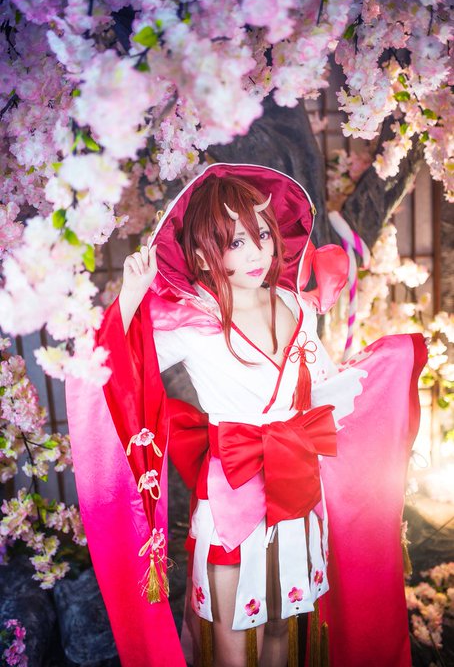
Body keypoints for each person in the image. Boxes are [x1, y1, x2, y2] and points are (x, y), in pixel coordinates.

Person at [66, 163, 427, 667]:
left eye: (262, 235)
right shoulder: (193, 324)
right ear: (200, 255)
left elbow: (325, 384)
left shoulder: (297, 306)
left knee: (282, 627)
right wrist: (130, 296)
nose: (257, 252)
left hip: (299, 485)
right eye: (236, 242)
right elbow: (107, 368)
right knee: (232, 635)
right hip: (233, 493)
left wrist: (385, 374)